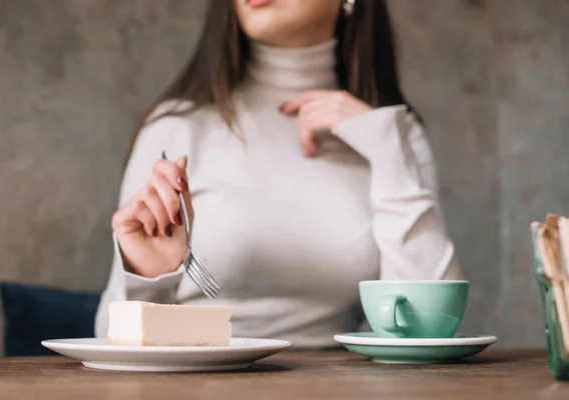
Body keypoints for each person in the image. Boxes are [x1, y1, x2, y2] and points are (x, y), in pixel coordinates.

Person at [95, 0, 463, 348]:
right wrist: (147, 281)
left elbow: (428, 329)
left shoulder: (392, 135)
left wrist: (387, 152)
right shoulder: (176, 129)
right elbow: (108, 335)